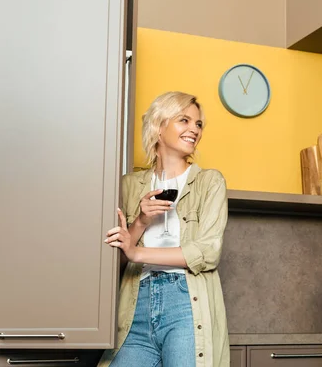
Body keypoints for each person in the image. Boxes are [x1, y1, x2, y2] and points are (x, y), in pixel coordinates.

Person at [98, 91, 229, 367]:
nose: (194, 129)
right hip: (136, 303)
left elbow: (207, 252)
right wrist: (141, 222)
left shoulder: (209, 182)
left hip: (184, 303)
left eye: (198, 124)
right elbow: (114, 258)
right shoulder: (128, 185)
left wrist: (138, 253)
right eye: (184, 120)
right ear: (159, 127)